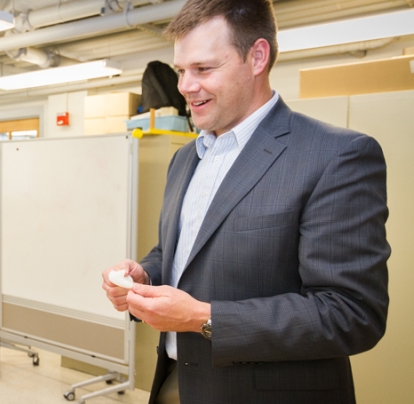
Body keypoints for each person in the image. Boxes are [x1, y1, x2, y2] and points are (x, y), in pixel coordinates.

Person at [101, 1, 390, 403]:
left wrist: (204, 318)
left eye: (203, 69)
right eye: (182, 70)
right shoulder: (186, 158)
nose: (185, 85)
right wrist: (145, 277)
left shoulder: (335, 156)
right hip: (176, 382)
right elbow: (177, 253)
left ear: (257, 57)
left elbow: (351, 314)